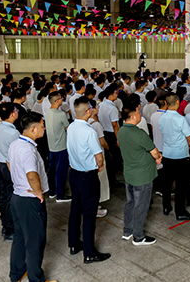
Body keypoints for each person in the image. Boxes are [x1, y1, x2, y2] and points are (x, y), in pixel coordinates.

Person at [8, 112, 57, 282]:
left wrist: (19, 180)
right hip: (29, 201)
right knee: (35, 241)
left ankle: (17, 273)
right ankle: (36, 279)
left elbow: (9, 163)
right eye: (42, 126)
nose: (44, 128)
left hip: (17, 197)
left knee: (20, 237)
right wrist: (38, 192)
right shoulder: (29, 150)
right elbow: (31, 174)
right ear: (33, 128)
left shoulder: (16, 144)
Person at [66, 97, 111, 263]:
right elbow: (99, 158)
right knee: (89, 214)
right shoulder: (90, 131)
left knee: (75, 210)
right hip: (87, 175)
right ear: (88, 111)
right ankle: (89, 253)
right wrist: (100, 165)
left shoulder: (71, 127)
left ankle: (74, 243)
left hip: (75, 173)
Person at [118, 102, 162, 245]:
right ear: (132, 116)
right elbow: (154, 151)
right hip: (142, 175)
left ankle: (128, 230)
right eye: (138, 113)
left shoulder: (122, 131)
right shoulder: (138, 133)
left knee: (130, 202)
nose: (140, 115)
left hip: (130, 173)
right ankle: (138, 236)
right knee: (141, 205)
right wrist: (157, 157)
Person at [158, 93, 190, 220]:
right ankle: (180, 212)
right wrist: (189, 144)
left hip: (167, 153)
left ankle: (166, 206)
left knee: (167, 183)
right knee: (180, 185)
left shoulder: (162, 118)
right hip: (180, 155)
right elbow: (189, 137)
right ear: (177, 103)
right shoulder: (181, 119)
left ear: (165, 103)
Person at [0, 102, 20, 242]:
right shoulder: (13, 133)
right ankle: (10, 229)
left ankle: (6, 225)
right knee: (10, 197)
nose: (17, 112)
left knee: (4, 196)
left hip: (0, 166)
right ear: (12, 114)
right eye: (15, 110)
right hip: (9, 167)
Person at [45, 92, 71, 202]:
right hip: (61, 146)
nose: (62, 100)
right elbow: (67, 128)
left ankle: (52, 191)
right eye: (60, 99)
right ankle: (60, 195)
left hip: (51, 146)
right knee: (61, 170)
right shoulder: (61, 114)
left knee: (52, 169)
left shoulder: (47, 112)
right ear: (57, 101)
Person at [98, 85, 122, 188]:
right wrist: (118, 138)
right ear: (111, 95)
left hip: (103, 133)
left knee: (108, 157)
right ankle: (112, 181)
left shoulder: (100, 105)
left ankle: (109, 179)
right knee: (113, 158)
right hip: (111, 135)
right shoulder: (112, 108)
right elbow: (115, 125)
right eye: (116, 93)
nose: (117, 95)